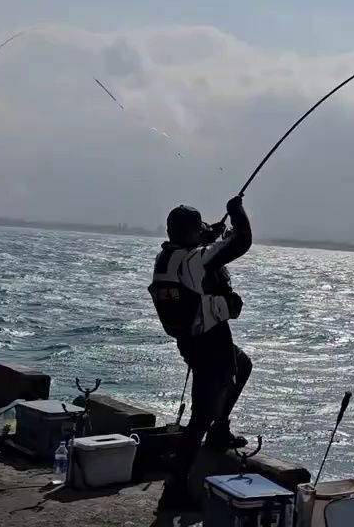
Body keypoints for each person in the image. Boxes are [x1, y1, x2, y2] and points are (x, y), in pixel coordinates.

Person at [148, 194, 254, 511]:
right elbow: (241, 242)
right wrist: (238, 213)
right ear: (189, 232)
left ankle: (220, 429)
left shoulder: (168, 257)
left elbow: (197, 259)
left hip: (193, 339)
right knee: (200, 417)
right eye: (199, 227)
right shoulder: (194, 260)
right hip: (207, 341)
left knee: (243, 364)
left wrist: (207, 235)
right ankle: (174, 489)